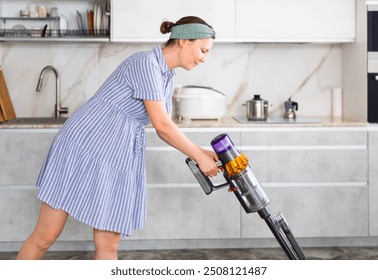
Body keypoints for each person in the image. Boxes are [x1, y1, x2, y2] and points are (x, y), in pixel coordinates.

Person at [16, 16, 219, 260]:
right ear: (185, 40)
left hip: (115, 153)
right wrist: (197, 154)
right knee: (45, 236)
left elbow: (166, 124)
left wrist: (203, 153)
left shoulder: (166, 75)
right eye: (203, 50)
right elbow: (162, 126)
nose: (203, 58)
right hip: (83, 144)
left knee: (108, 243)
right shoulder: (145, 64)